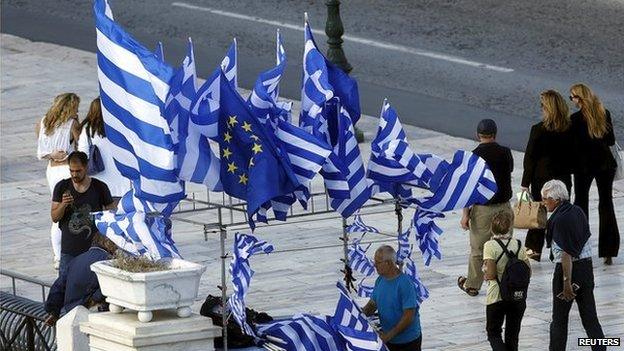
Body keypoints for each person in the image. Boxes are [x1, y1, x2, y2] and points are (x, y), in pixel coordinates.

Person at [542, 180, 605, 351]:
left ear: (556, 199)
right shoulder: (577, 211)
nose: (543, 202)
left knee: (559, 321)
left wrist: (566, 283)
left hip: (567, 271)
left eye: (545, 198)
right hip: (586, 270)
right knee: (590, 318)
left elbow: (566, 253)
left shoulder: (560, 219)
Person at [458, 119, 514, 296]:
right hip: (504, 207)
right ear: (495, 134)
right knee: (504, 246)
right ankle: (505, 280)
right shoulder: (506, 152)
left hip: (482, 209)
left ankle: (473, 285)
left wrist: (465, 214)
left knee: (478, 249)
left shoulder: (473, 156)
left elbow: (468, 187)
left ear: (478, 135)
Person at [569, 83, 619, 265]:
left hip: (583, 167)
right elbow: (611, 140)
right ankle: (609, 250)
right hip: (605, 164)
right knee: (606, 203)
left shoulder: (575, 119)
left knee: (581, 204)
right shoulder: (603, 114)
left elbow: (572, 146)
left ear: (579, 99)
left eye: (572, 97)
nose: (571, 100)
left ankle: (580, 246)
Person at [521, 90, 574, 262]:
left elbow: (530, 158)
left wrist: (524, 183)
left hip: (541, 179)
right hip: (563, 179)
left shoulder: (537, 130)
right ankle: (564, 248)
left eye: (542, 106)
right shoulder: (570, 128)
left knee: (539, 215)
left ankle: (533, 250)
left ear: (548, 108)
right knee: (563, 213)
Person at [36, 93, 82, 269]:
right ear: (70, 108)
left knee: (57, 208)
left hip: (52, 170)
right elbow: (82, 146)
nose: (78, 110)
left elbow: (42, 150)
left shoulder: (43, 123)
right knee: (72, 209)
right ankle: (72, 250)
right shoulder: (72, 124)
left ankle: (57, 256)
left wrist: (52, 154)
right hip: (68, 169)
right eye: (76, 107)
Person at [51, 151, 115, 277]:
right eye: (72, 171)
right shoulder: (62, 186)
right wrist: (63, 204)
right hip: (69, 249)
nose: (75, 174)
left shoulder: (99, 187)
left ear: (86, 167)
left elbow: (111, 215)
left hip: (92, 249)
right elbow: (54, 217)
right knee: (64, 284)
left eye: (78, 171)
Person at [44, 233, 118, 326]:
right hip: (94, 313)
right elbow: (108, 286)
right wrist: (95, 299)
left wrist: (53, 312)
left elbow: (58, 287)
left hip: (71, 313)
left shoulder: (76, 260)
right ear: (108, 243)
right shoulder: (109, 261)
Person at [483, 211, 531, 351]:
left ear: (492, 228)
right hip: (517, 296)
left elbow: (491, 274)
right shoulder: (517, 244)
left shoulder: (490, 245)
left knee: (494, 333)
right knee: (512, 335)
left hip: (496, 296)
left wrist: (485, 272)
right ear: (510, 227)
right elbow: (529, 271)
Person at [363, 245, 422, 351]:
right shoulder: (380, 280)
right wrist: (361, 312)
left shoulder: (404, 284)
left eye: (378, 262)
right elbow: (372, 304)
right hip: (389, 340)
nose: (375, 265)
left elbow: (408, 317)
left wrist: (389, 335)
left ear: (389, 263)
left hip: (407, 342)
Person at [77, 97, 130, 201]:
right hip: (122, 181)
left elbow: (82, 154)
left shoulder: (88, 130)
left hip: (99, 181)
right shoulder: (119, 126)